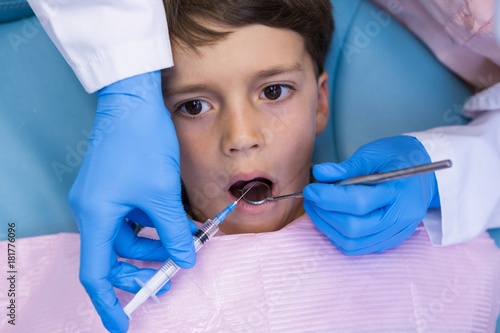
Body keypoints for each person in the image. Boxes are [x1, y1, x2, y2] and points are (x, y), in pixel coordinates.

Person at [24, 0, 500, 331]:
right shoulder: (99, 269)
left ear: (320, 103)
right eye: (192, 106)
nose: (241, 138)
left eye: (273, 92)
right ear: (151, 130)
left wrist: (451, 182)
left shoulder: (443, 242)